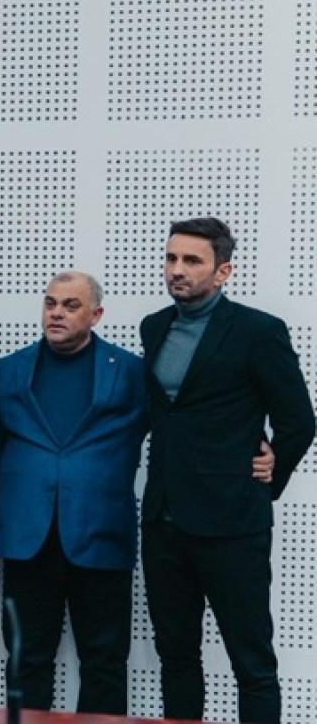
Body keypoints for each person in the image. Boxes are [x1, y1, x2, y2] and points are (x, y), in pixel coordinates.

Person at [141, 217, 314, 723]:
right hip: (163, 519)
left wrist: (268, 476)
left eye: (191, 260)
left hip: (232, 522)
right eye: (171, 258)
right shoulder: (154, 326)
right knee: (176, 657)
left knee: (251, 662)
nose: (177, 269)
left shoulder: (259, 331)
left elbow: (299, 421)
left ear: (223, 272)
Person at [0, 271, 148, 714]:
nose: (56, 313)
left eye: (71, 306)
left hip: (101, 533)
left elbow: (179, 428)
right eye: (51, 303)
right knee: (26, 661)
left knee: (105, 662)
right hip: (26, 535)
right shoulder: (8, 370)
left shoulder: (130, 372)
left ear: (96, 315)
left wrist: (256, 446)